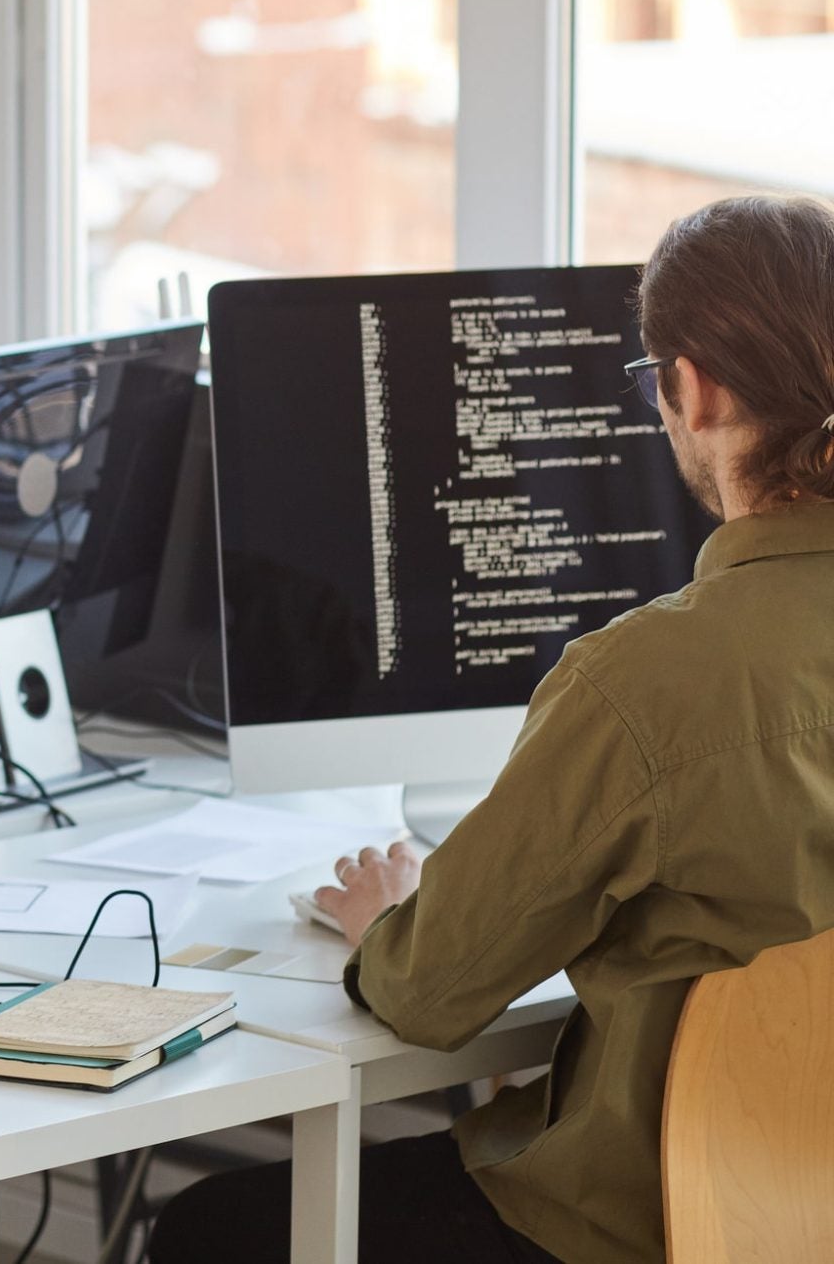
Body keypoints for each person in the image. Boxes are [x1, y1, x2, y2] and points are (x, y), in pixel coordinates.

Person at [149, 194, 834, 1264]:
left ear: (688, 389)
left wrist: (391, 917)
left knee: (205, 1228)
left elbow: (430, 993)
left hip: (659, 1221)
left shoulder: (651, 678)